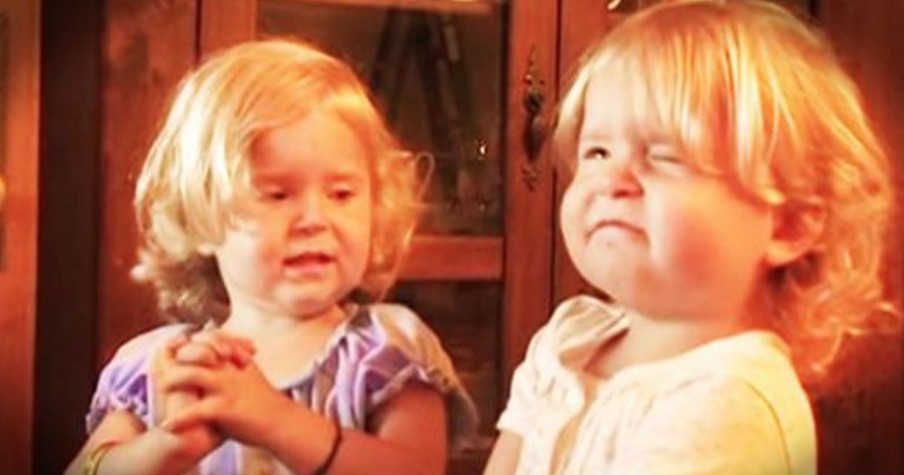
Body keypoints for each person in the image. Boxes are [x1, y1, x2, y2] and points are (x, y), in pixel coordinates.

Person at [483, 1, 898, 474]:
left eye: (665, 156)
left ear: (789, 225)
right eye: (596, 151)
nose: (611, 179)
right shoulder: (568, 338)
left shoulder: (733, 402)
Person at [65, 38, 477, 475]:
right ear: (199, 214)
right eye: (277, 194)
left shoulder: (387, 350)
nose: (314, 219)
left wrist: (274, 421)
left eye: (342, 194)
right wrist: (168, 445)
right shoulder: (164, 364)